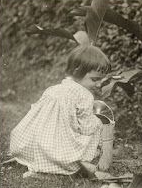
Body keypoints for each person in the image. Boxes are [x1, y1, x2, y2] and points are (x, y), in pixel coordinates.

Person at [10, 44, 111, 177]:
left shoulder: (54, 89)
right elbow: (87, 127)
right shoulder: (84, 95)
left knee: (53, 138)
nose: (98, 84)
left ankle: (37, 166)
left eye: (101, 80)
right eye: (95, 80)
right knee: (96, 126)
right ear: (77, 71)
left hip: (39, 141)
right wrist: (97, 122)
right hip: (59, 145)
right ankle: (61, 167)